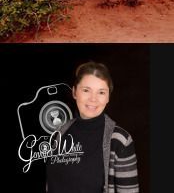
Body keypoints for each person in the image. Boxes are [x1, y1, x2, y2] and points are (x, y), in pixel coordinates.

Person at [46, 62, 139, 193]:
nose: (93, 99)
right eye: (86, 90)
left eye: (101, 92)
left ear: (108, 97)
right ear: (74, 92)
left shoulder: (120, 140)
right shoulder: (61, 132)